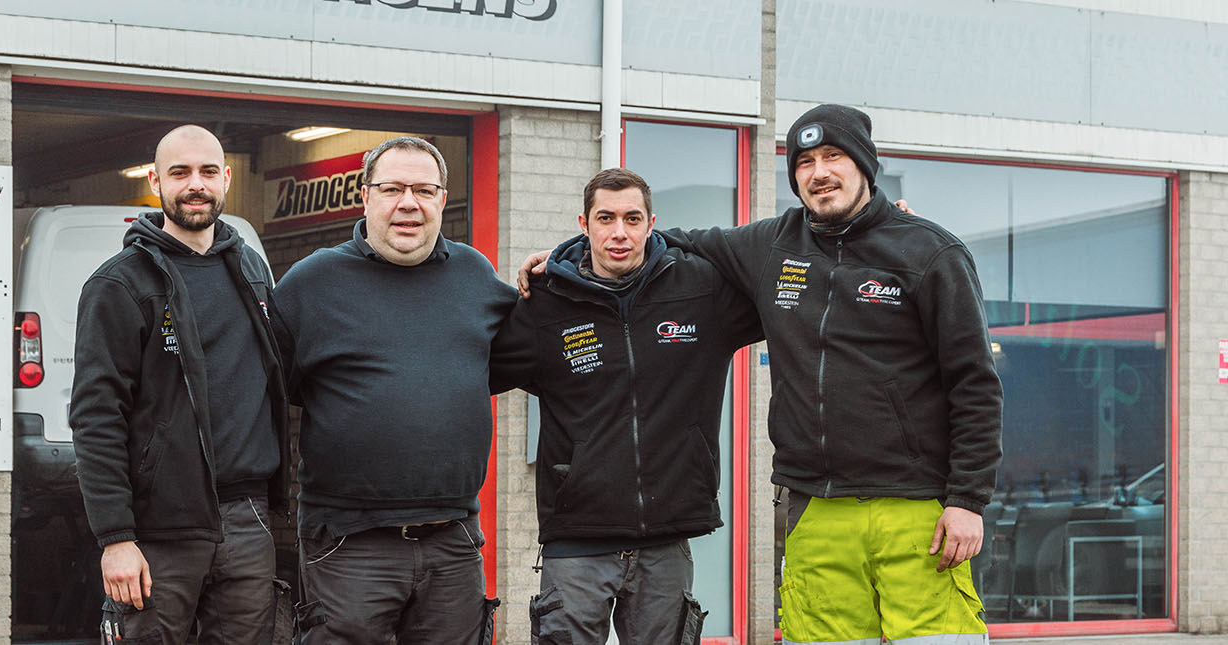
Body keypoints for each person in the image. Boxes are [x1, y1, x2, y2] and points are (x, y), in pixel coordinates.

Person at [519, 104, 1002, 644]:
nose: (819, 171)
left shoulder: (930, 251)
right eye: (805, 161)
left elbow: (975, 383)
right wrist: (567, 261)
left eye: (834, 156)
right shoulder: (771, 244)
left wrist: (967, 499)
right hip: (814, 506)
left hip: (917, 507)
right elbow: (669, 240)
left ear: (865, 163)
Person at [491, 168, 762, 645]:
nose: (620, 232)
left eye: (633, 218)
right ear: (584, 223)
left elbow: (789, 288)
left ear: (652, 223)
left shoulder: (701, 292)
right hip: (577, 539)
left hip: (666, 537)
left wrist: (880, 236)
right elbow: (472, 368)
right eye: (606, 218)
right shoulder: (545, 304)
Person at [272, 136, 516, 644]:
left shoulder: (475, 275)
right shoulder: (311, 283)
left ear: (442, 200)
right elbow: (270, 390)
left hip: (452, 540)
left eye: (424, 190)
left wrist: (562, 270)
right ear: (366, 197)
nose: (409, 203)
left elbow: (524, 349)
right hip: (349, 543)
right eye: (393, 189)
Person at [70, 124, 291, 644]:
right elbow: (96, 416)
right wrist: (116, 538)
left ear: (226, 179)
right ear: (155, 181)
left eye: (208, 172)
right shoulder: (121, 283)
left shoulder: (252, 270)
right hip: (158, 532)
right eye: (181, 172)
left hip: (247, 520)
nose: (196, 184)